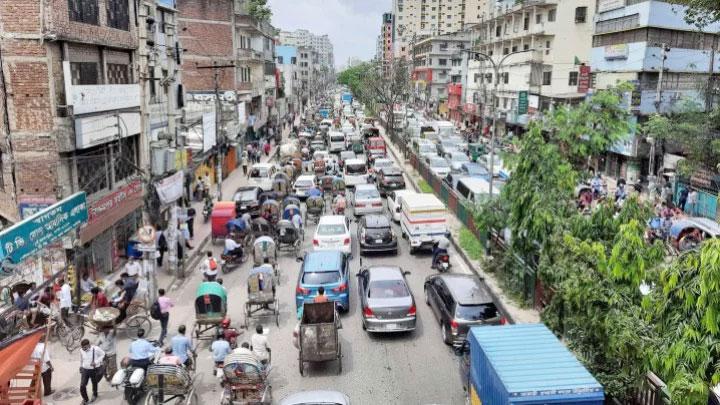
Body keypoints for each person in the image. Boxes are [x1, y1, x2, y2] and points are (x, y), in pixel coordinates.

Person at [79, 338, 105, 405]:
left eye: (84, 347)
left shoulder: (96, 349)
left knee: (94, 383)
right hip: (85, 369)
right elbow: (81, 358)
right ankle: (85, 399)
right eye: (82, 347)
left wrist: (96, 362)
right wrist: (81, 366)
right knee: (82, 385)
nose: (83, 349)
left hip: (94, 369)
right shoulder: (81, 350)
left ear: (88, 345)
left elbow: (103, 354)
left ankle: (95, 394)